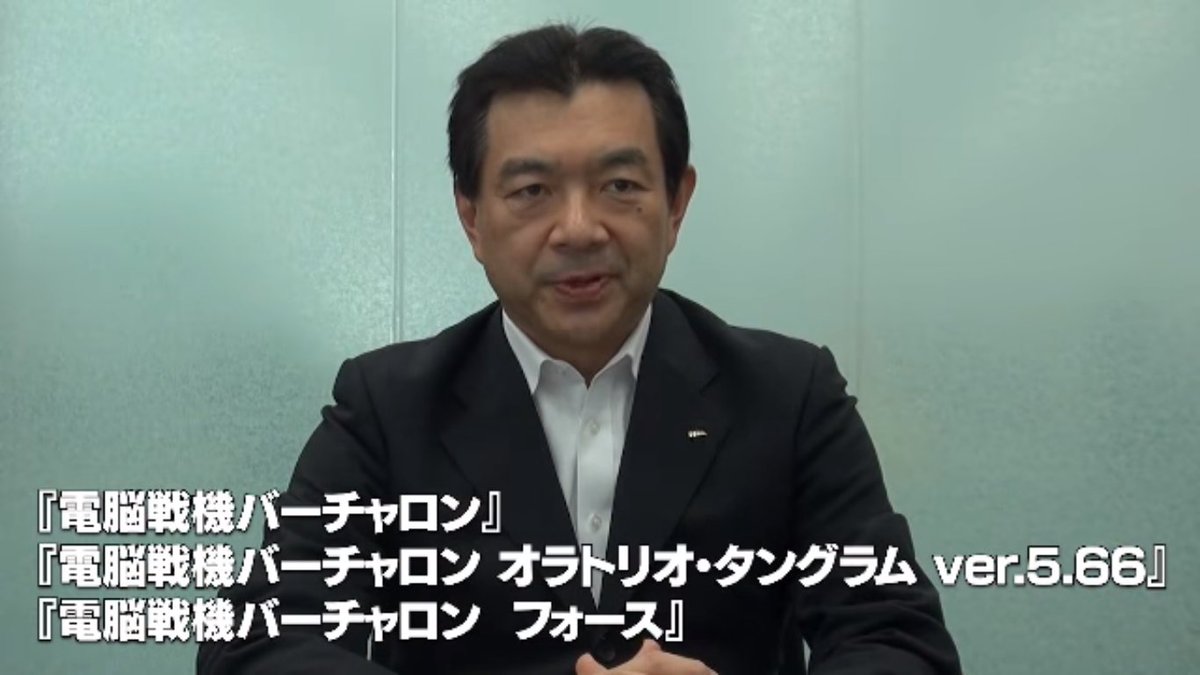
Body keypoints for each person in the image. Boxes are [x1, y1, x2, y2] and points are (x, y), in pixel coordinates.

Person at [196, 23, 961, 675]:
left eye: (619, 185)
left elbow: (898, 641)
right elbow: (260, 643)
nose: (578, 228)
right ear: (471, 218)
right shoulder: (387, 410)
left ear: (677, 203)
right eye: (531, 191)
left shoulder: (788, 395)